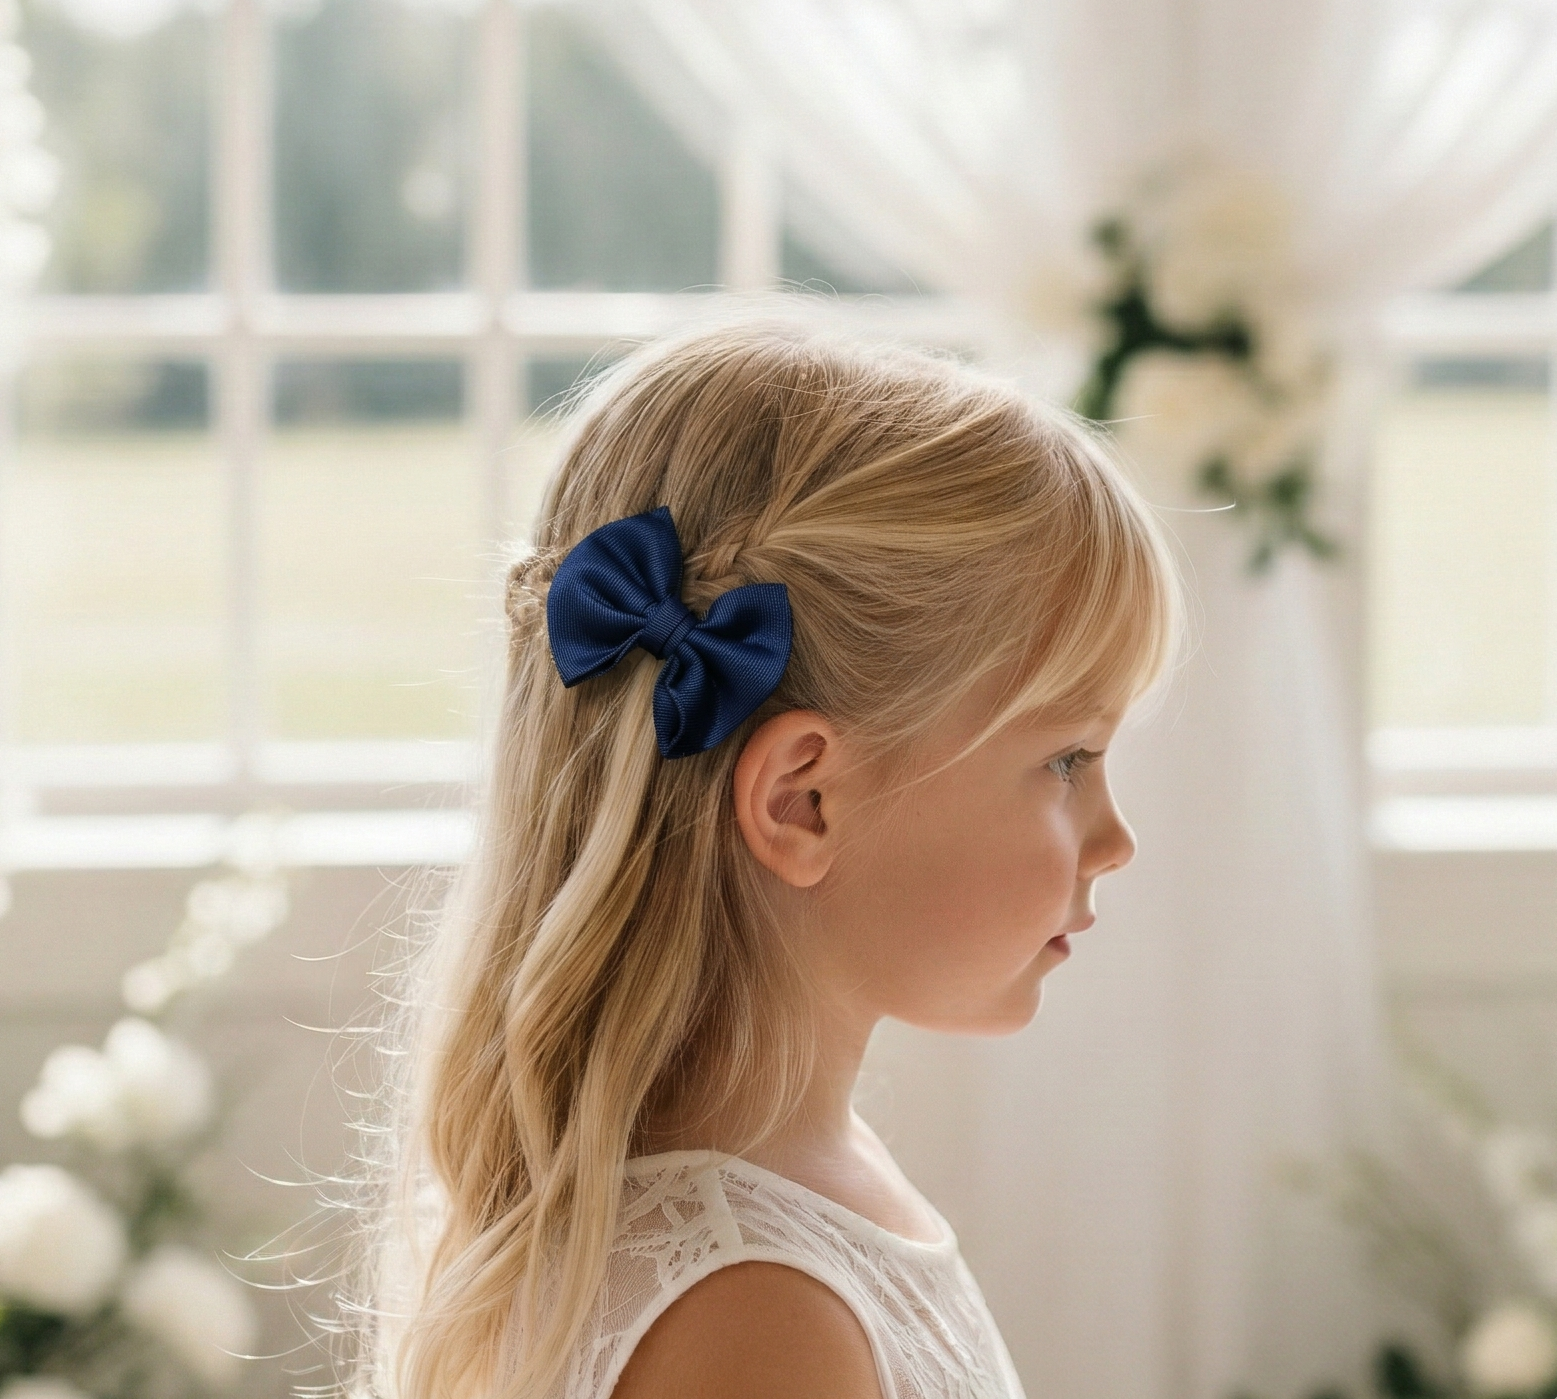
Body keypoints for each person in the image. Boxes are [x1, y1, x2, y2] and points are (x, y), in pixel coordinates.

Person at [359, 318, 1179, 1399]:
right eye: (1066, 757)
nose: (1116, 840)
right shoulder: (755, 1317)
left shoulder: (800, 1191)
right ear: (801, 798)